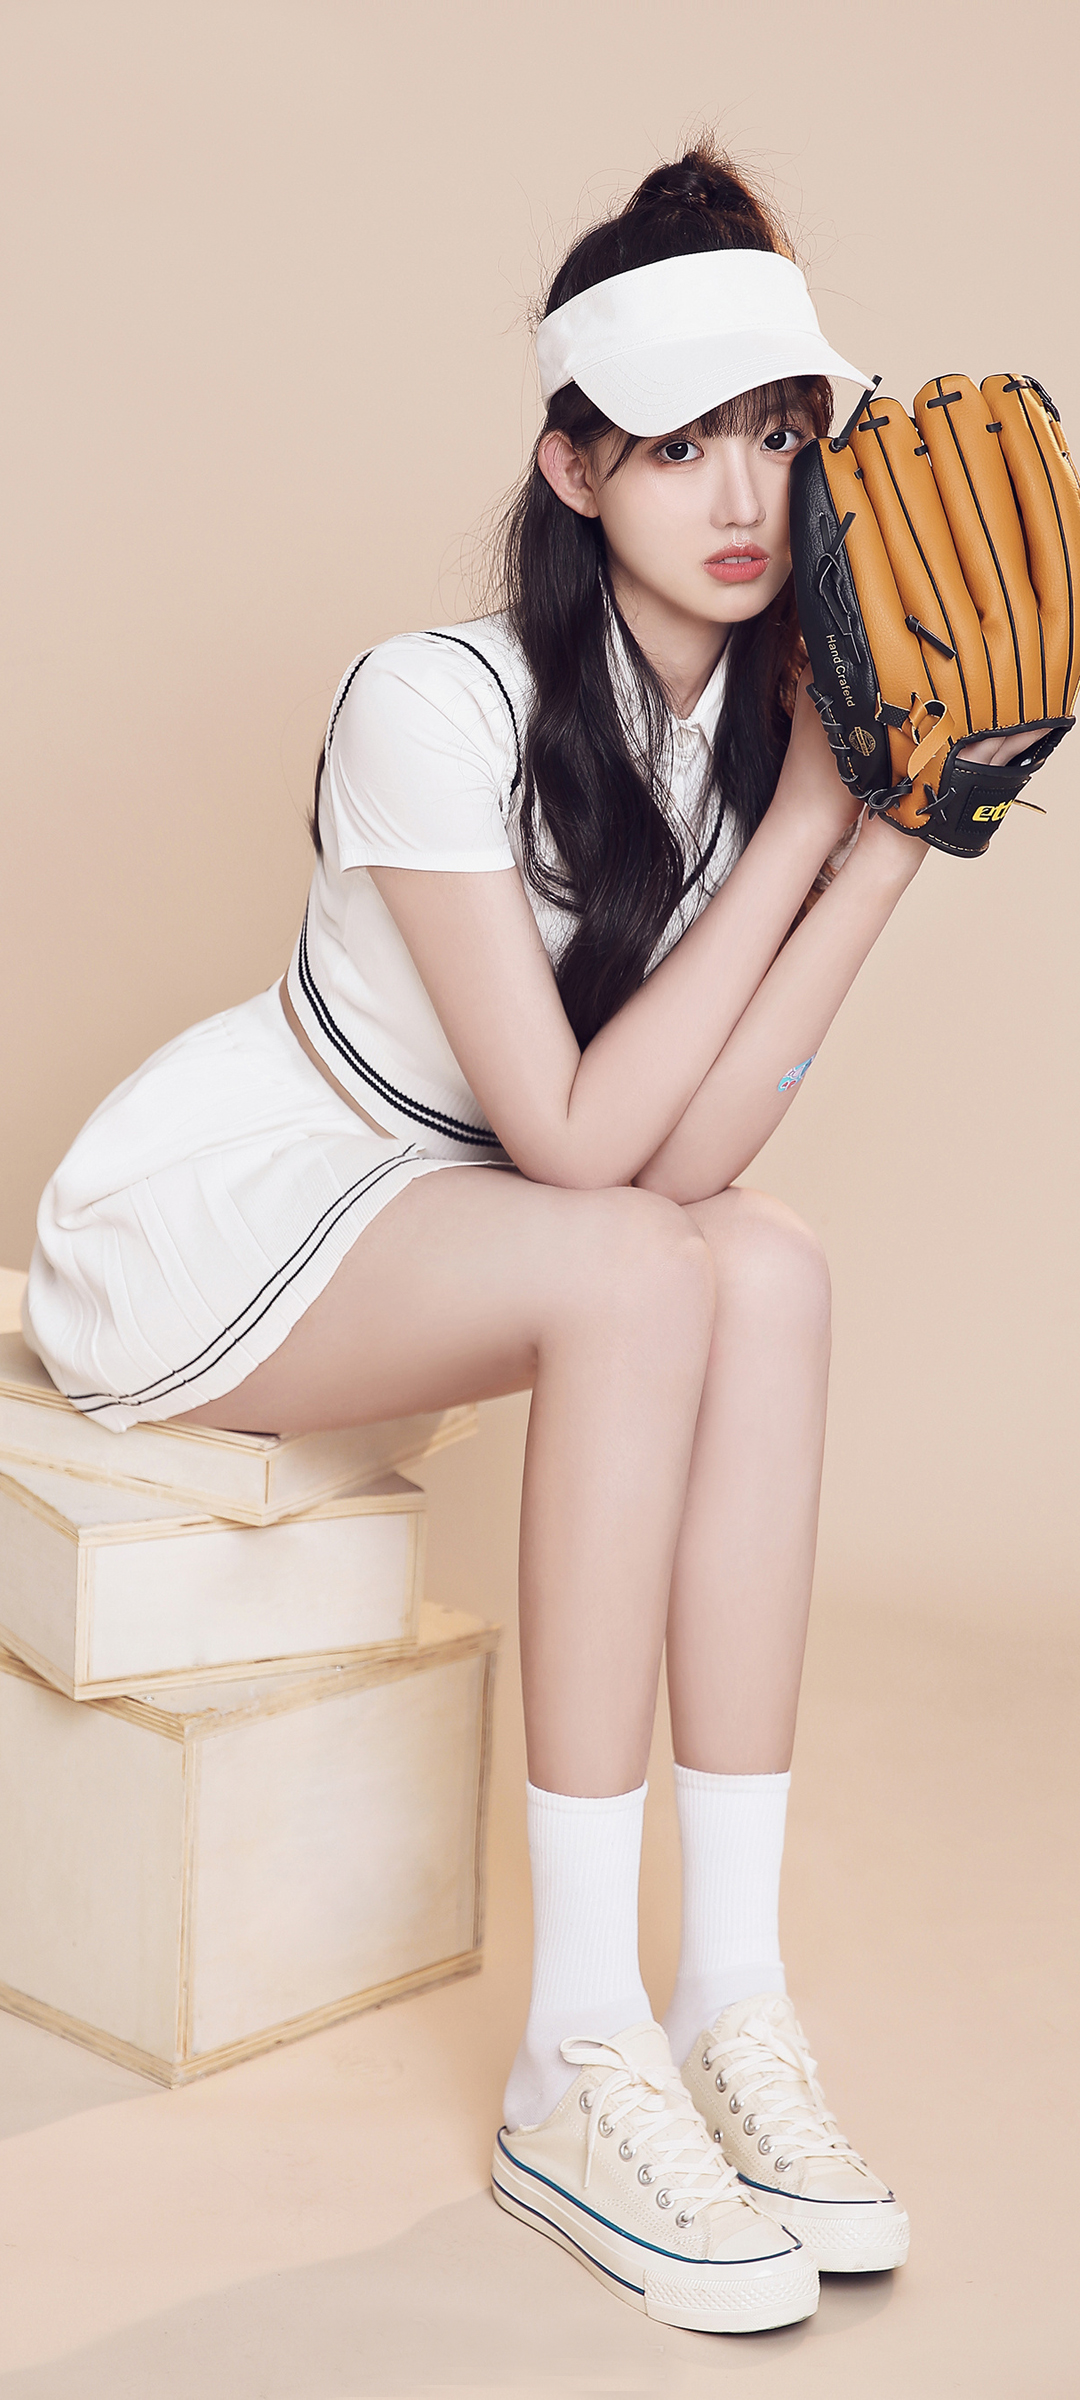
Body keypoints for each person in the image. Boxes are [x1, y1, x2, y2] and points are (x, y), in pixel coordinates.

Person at [23, 144, 1033, 2336]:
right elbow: (580, 1151)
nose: (744, 496)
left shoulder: (751, 716)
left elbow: (702, 1156)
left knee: (770, 1264)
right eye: (679, 444)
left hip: (488, 1208)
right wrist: (807, 817)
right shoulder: (436, 699)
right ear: (572, 467)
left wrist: (883, 847)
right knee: (646, 1266)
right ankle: (578, 2049)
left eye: (776, 434)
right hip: (244, 1201)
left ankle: (730, 1995)